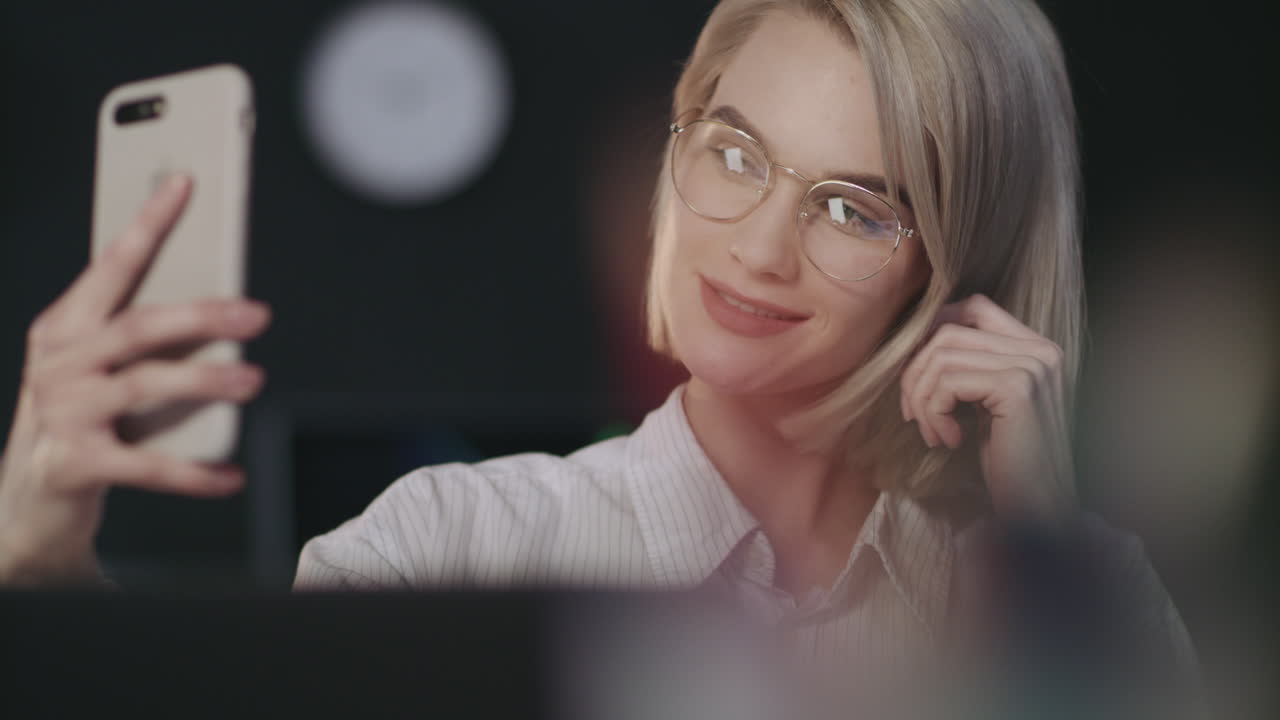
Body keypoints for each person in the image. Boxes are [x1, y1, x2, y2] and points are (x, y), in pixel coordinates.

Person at [0, 0, 1196, 683]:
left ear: (956, 264)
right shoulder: (444, 541)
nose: (757, 249)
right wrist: (43, 576)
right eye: (732, 151)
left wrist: (1038, 543)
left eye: (852, 207)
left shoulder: (1054, 595)